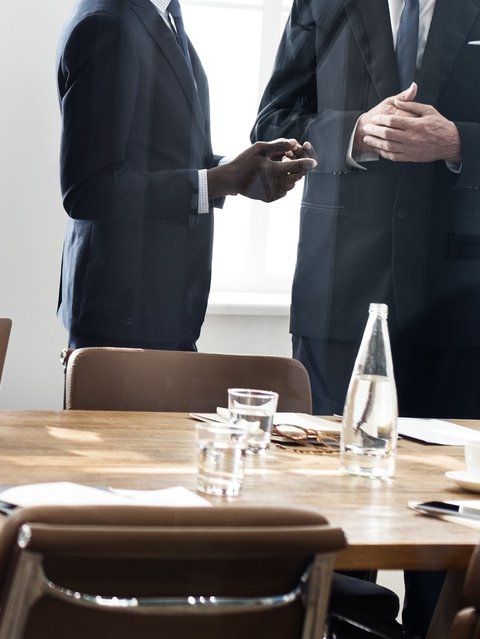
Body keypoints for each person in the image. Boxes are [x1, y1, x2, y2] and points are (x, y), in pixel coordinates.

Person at [256, 0, 480, 633]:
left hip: (460, 306)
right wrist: (354, 133)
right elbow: (272, 121)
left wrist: (457, 138)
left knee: (451, 525)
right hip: (337, 296)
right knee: (335, 521)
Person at [56, 0, 315, 352]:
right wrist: (220, 180)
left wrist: (241, 176)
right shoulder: (108, 22)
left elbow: (161, 153)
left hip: (161, 314)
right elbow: (88, 188)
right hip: (124, 321)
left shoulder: (158, 15)